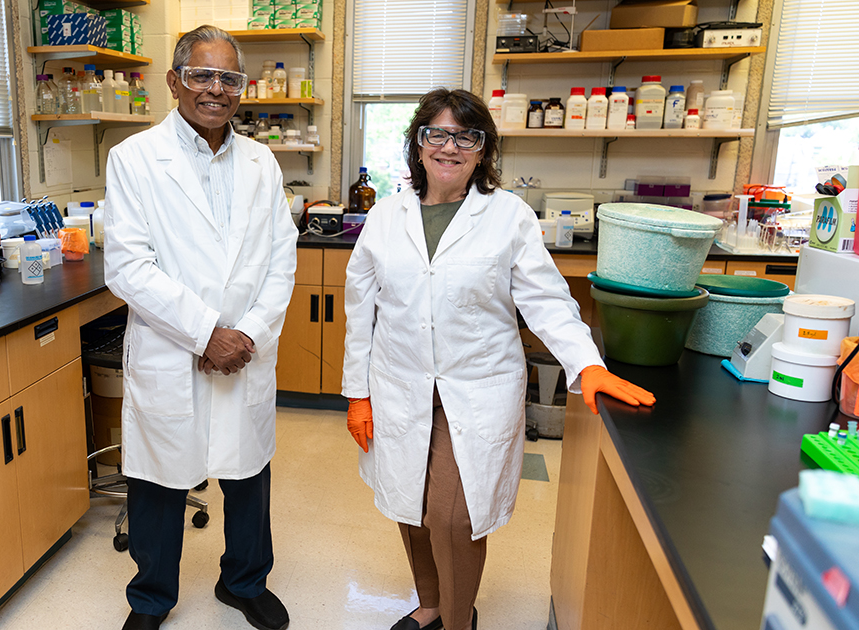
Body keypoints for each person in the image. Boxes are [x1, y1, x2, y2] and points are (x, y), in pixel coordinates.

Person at [341, 89, 655, 630]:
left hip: (477, 391)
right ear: (417, 144)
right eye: (436, 133)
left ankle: (459, 619)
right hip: (400, 386)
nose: (450, 146)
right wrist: (357, 394)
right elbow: (359, 310)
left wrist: (589, 364)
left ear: (483, 150)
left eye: (466, 136)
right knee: (410, 507)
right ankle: (431, 605)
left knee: (453, 517)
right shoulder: (386, 216)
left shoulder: (508, 216)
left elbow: (547, 300)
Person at [103, 25, 299, 630]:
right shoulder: (134, 159)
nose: (216, 89)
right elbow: (128, 267)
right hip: (173, 347)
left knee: (248, 475)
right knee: (160, 480)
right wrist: (206, 332)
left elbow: (281, 256)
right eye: (202, 75)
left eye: (229, 78)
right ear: (174, 81)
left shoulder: (262, 161)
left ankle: (243, 582)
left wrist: (250, 333)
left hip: (245, 347)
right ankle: (152, 597)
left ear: (242, 88)